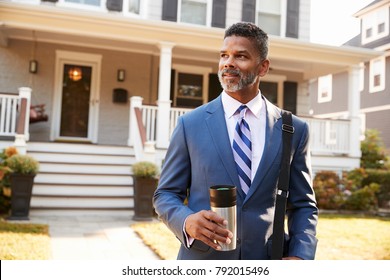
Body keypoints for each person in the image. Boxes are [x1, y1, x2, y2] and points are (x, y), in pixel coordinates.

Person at [153, 22, 318, 260]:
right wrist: (186, 221)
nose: (228, 63)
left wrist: (301, 255)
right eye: (224, 55)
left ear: (263, 67)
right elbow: (165, 194)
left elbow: (304, 204)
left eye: (240, 56)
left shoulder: (293, 129)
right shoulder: (190, 124)